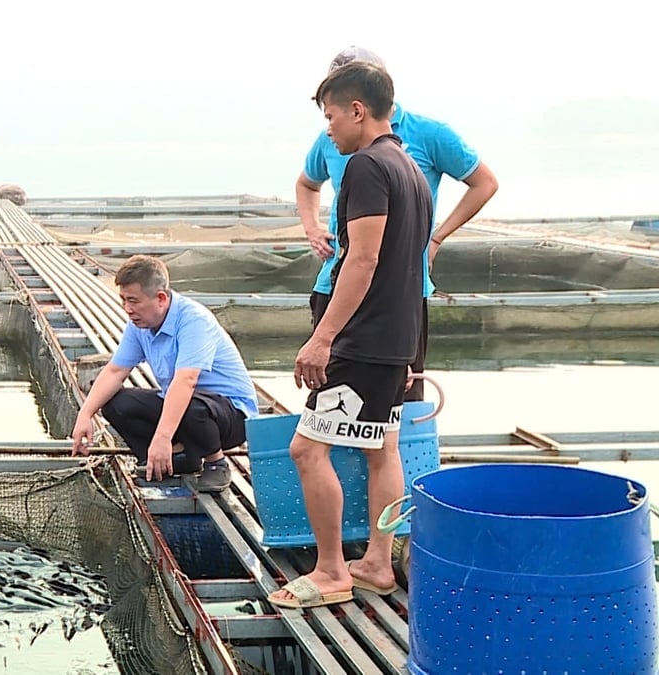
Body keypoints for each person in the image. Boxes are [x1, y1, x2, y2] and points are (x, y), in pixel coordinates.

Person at [268, 62, 432, 608]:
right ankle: (379, 563)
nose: (329, 129)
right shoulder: (409, 166)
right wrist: (405, 349)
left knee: (307, 450)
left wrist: (323, 338)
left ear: (358, 110)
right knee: (383, 446)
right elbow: (409, 266)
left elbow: (361, 260)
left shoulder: (364, 166)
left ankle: (331, 571)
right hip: (395, 341)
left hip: (360, 344)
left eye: (332, 115)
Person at [296, 46, 498, 400]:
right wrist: (312, 228)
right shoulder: (335, 136)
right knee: (337, 402)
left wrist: (435, 239)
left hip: (397, 293)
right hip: (337, 283)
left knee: (395, 408)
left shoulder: (421, 138)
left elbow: (484, 182)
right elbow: (307, 182)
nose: (330, 125)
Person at [70, 255, 259, 493]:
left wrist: (162, 437)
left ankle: (216, 463)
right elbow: (116, 370)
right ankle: (177, 460)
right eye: (123, 301)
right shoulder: (138, 325)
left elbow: (186, 381)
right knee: (115, 403)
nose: (128, 309)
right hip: (186, 408)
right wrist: (86, 413)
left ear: (160, 298)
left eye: (133, 301)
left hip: (228, 416)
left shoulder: (193, 320)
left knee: (188, 403)